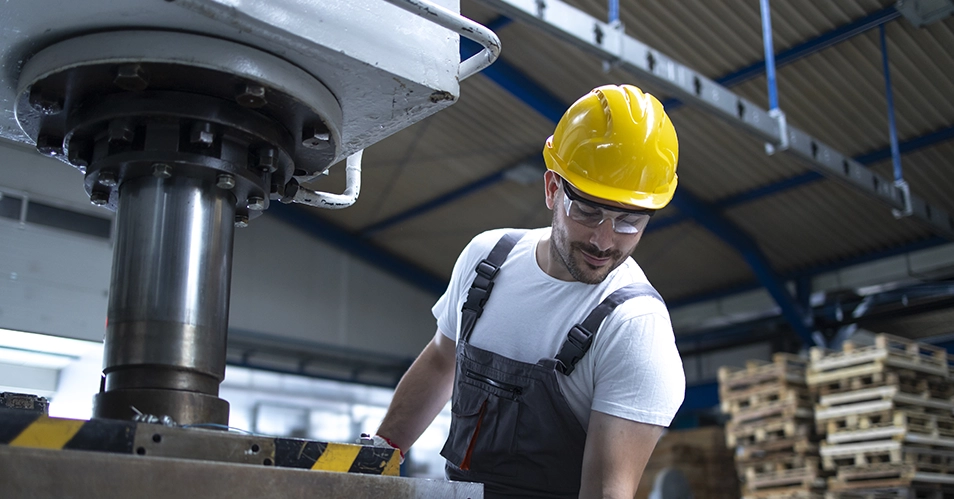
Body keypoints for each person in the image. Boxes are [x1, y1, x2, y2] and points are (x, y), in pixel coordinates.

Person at [371, 84, 685, 498]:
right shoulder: (487, 261)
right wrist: (374, 462)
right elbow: (441, 362)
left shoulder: (634, 327)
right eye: (588, 211)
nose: (605, 241)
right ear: (553, 188)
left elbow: (606, 492)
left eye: (630, 222)